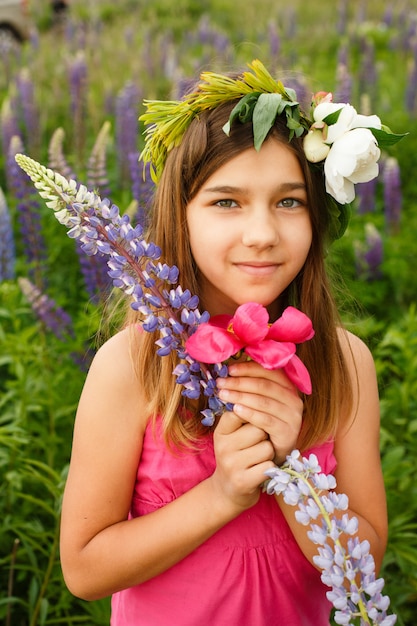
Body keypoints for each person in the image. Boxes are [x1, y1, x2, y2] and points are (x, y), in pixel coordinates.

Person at [60, 60, 392, 625]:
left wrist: (293, 473)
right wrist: (221, 496)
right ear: (180, 215)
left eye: (289, 201)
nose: (261, 234)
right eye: (226, 201)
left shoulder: (345, 362)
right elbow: (85, 569)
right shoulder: (131, 364)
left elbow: (368, 562)